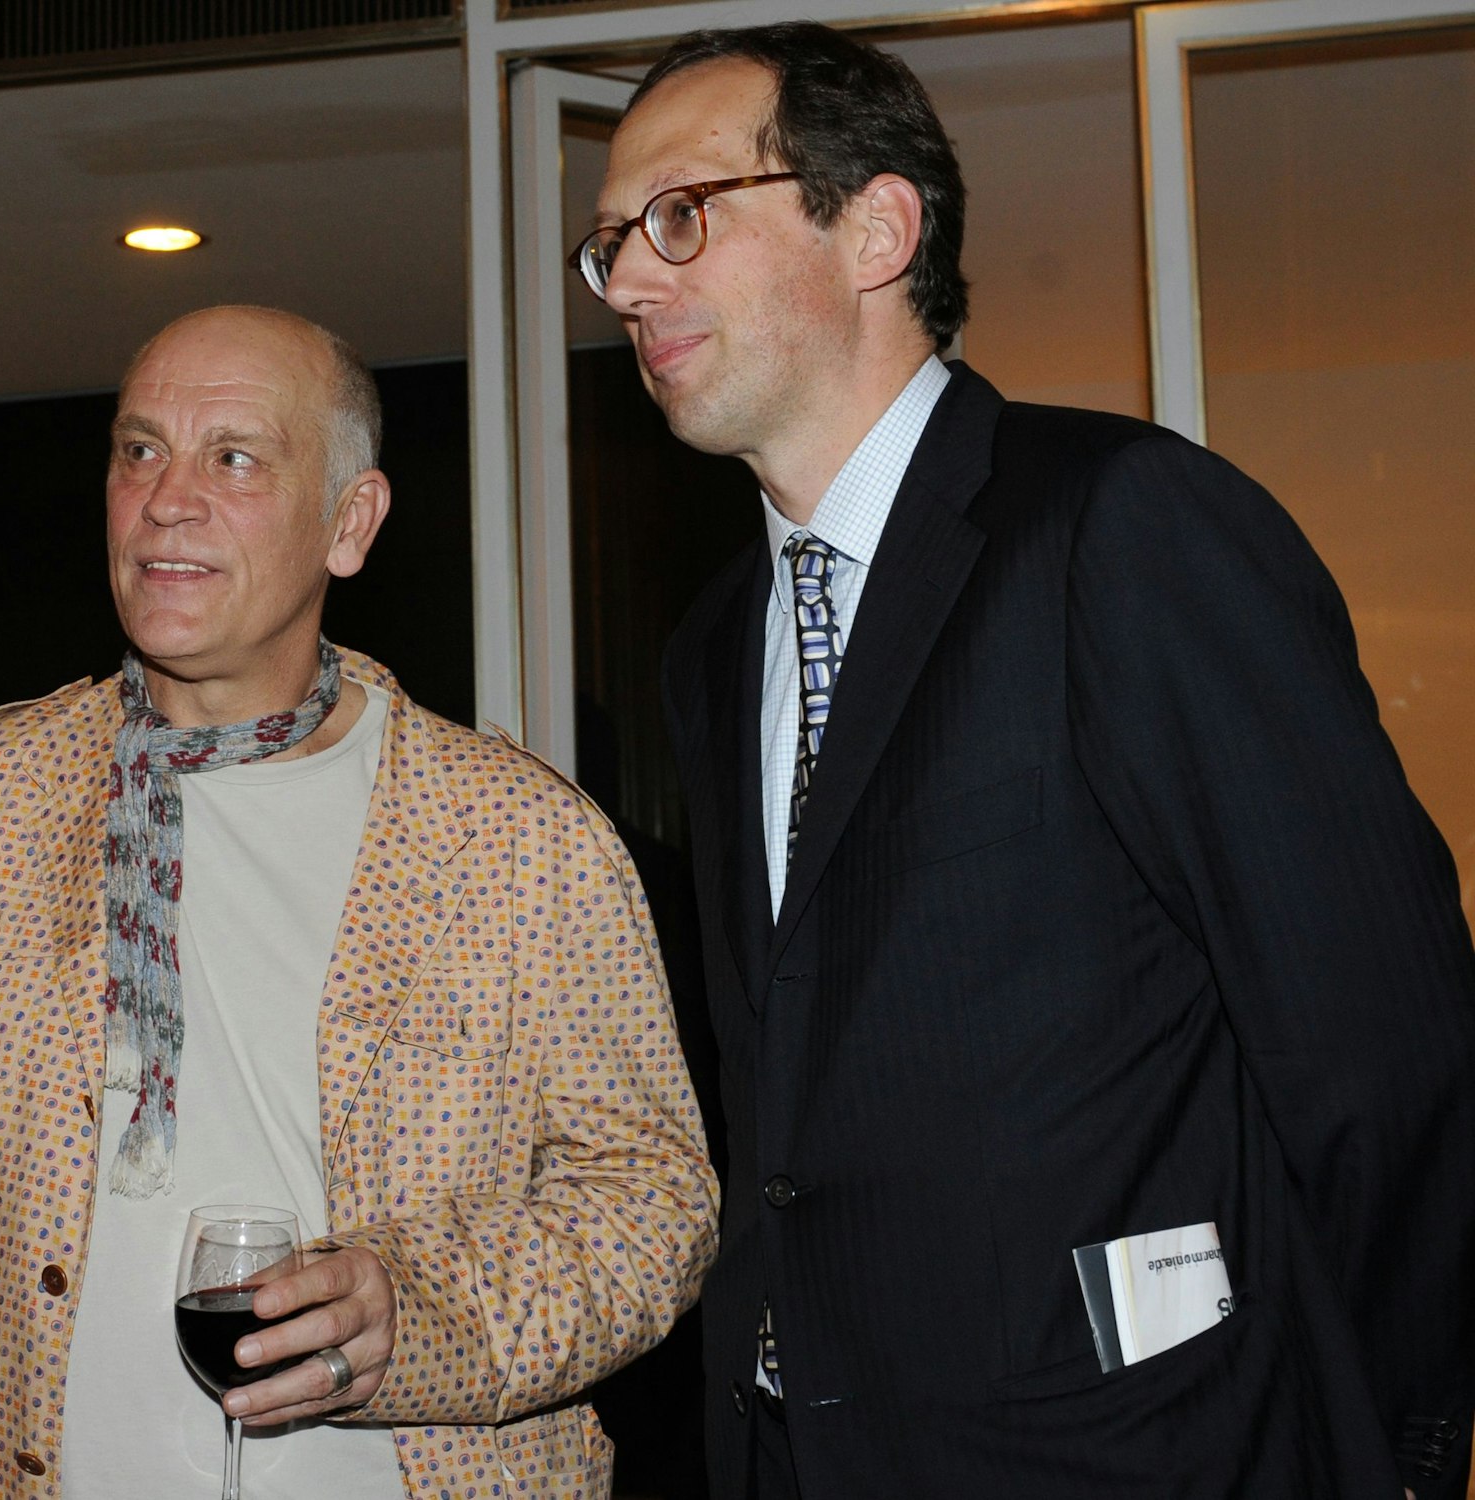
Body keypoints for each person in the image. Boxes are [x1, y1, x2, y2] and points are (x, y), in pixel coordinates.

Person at [580, 21, 1475, 1500]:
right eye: (608, 245)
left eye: (680, 216)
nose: (627, 280)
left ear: (876, 225)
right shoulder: (714, 642)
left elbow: (1389, 1060)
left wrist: (1374, 1445)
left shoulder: (1126, 530)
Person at [0, 305, 718, 1500]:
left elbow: (650, 1204)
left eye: (234, 458)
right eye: (138, 449)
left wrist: (411, 1317)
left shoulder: (516, 841)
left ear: (349, 522)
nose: (166, 497)